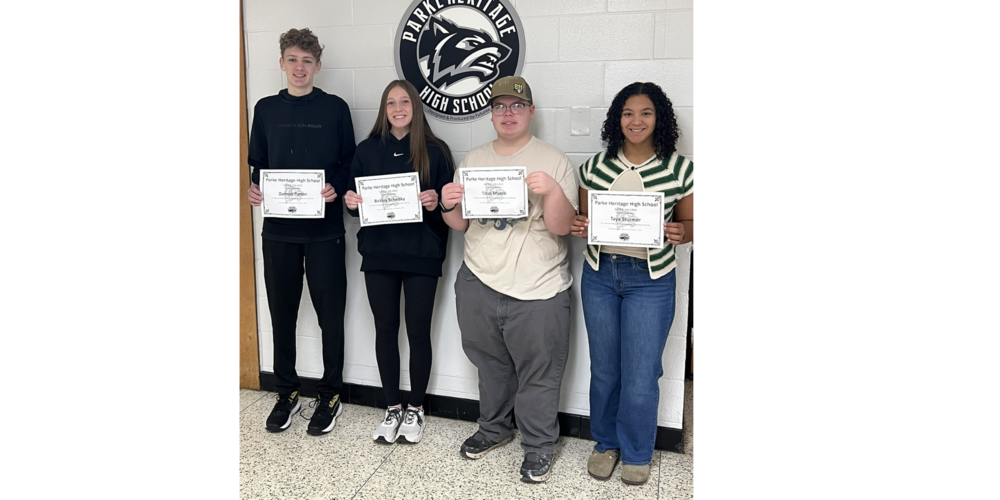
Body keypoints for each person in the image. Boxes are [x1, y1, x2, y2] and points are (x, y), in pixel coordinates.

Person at [439, 76, 579, 483]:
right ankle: (493, 428)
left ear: (531, 112)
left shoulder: (553, 160)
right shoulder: (474, 159)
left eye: (517, 106)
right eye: (500, 107)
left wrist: (552, 191)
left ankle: (538, 446)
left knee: (539, 372)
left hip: (538, 288)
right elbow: (460, 224)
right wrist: (448, 204)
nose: (508, 113)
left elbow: (562, 227)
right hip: (480, 281)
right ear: (490, 114)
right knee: (491, 367)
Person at [570, 82, 694, 485]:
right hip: (600, 275)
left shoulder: (679, 168)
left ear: (659, 119)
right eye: (627, 113)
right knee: (605, 369)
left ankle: (638, 451)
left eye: (645, 113)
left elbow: (690, 224)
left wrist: (682, 231)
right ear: (616, 120)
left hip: (651, 281)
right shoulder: (594, 167)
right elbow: (586, 223)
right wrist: (578, 224)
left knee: (642, 373)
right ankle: (605, 443)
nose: (635, 120)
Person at [245, 28, 356, 436]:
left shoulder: (335, 108)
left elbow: (349, 163)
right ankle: (286, 391)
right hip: (278, 233)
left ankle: (330, 394)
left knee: (331, 317)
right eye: (292, 60)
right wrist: (253, 187)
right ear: (281, 63)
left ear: (317, 66)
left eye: (307, 61)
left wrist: (337, 186)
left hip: (325, 231)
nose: (299, 67)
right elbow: (257, 162)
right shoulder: (266, 109)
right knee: (282, 315)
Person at [342, 80, 455, 445]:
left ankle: (416, 409)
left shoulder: (436, 151)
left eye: (404, 101)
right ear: (384, 108)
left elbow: (449, 208)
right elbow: (353, 202)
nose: (398, 108)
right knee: (385, 330)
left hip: (422, 254)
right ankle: (392, 407)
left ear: (415, 106)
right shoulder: (366, 150)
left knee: (418, 332)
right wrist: (351, 202)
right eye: (391, 102)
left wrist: (436, 203)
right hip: (379, 254)